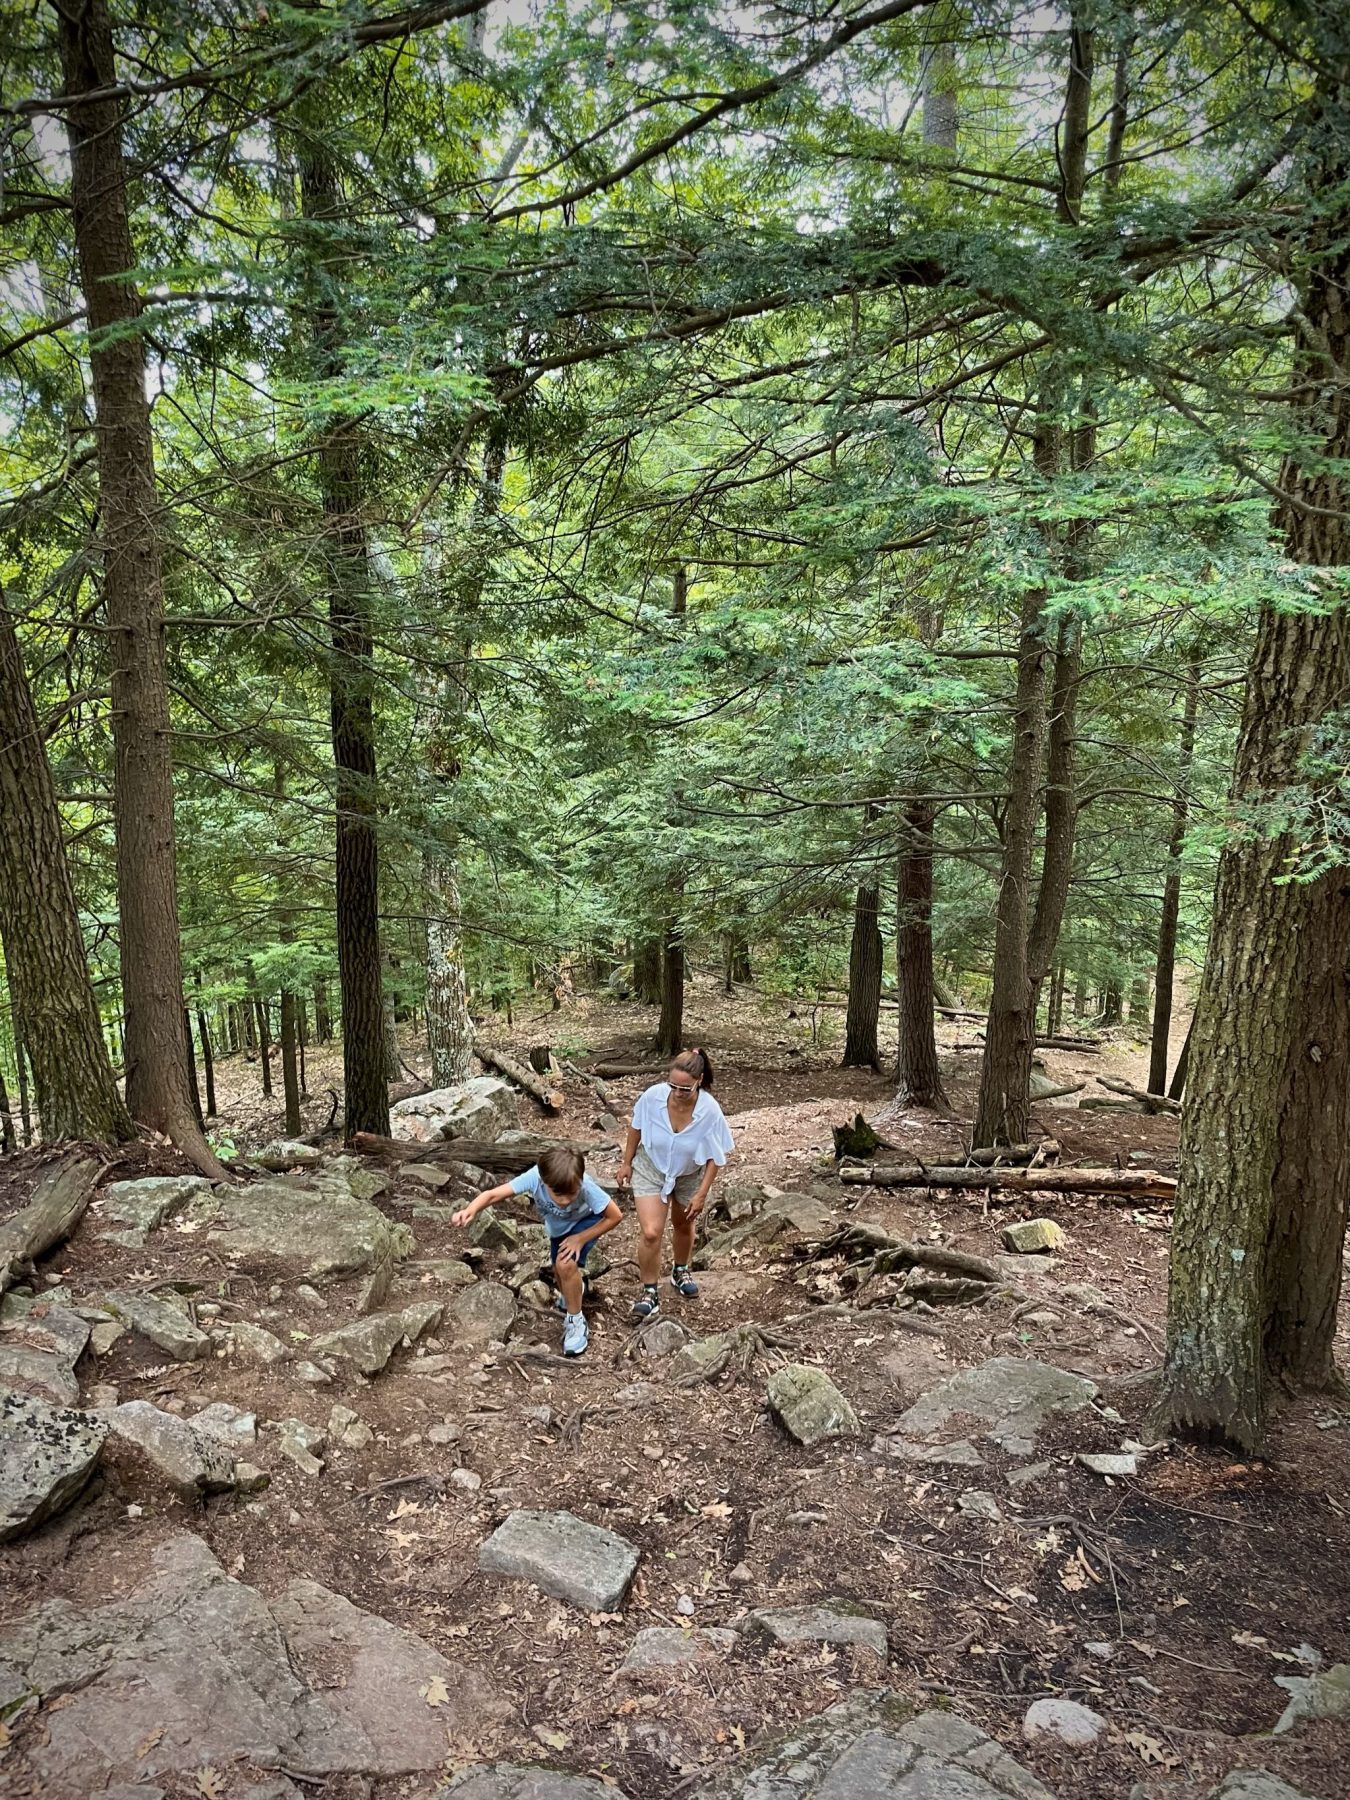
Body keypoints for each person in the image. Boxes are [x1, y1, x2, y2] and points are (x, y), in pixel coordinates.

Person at [451, 1145, 620, 1357]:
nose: (566, 1200)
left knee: (565, 1264)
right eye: (559, 1194)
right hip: (559, 1228)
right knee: (560, 1272)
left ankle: (576, 1321)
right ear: (544, 1181)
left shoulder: (585, 1186)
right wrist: (470, 1210)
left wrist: (580, 1238)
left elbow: (615, 1215)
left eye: (572, 1194)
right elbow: (494, 1195)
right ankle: (575, 1292)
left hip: (586, 1223)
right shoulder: (535, 1177)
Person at [616, 1046, 733, 1319]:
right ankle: (649, 1292)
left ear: (699, 1081)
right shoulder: (653, 1098)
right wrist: (626, 1162)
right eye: (673, 1086)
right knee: (651, 1231)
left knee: (683, 1224)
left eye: (685, 1089)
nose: (678, 1093)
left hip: (688, 1173)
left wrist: (701, 1194)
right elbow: (637, 1127)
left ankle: (680, 1270)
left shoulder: (710, 1112)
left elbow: (716, 1158)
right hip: (650, 1167)